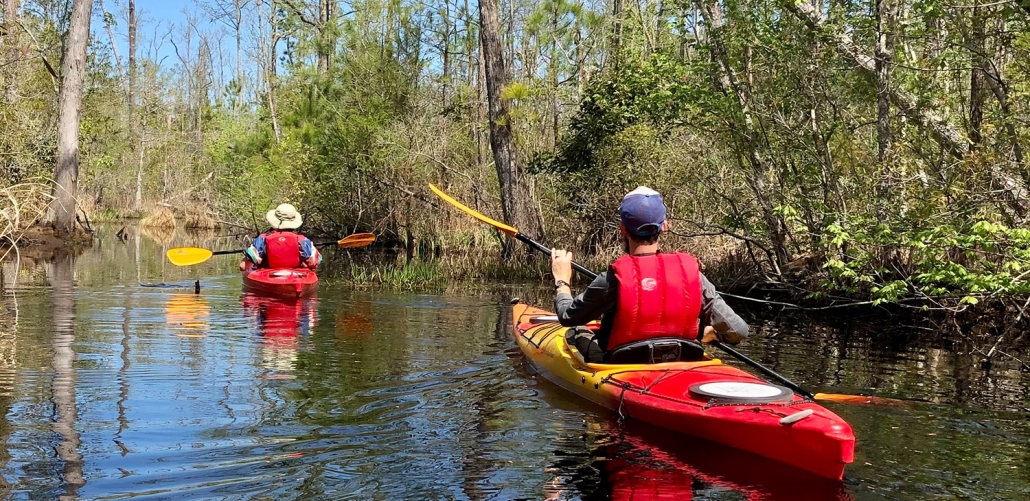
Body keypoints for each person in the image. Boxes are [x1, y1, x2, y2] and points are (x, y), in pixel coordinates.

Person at [550, 186, 748, 363]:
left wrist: (562, 280)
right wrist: (713, 334)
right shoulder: (695, 277)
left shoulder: (611, 280)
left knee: (576, 331)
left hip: (622, 365)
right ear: (664, 226)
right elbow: (738, 331)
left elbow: (568, 316)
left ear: (623, 229)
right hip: (682, 361)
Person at [239, 203, 322, 271]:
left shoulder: (262, 239)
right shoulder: (302, 240)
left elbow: (243, 266)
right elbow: (314, 262)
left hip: (268, 277)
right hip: (296, 278)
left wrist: (247, 259)